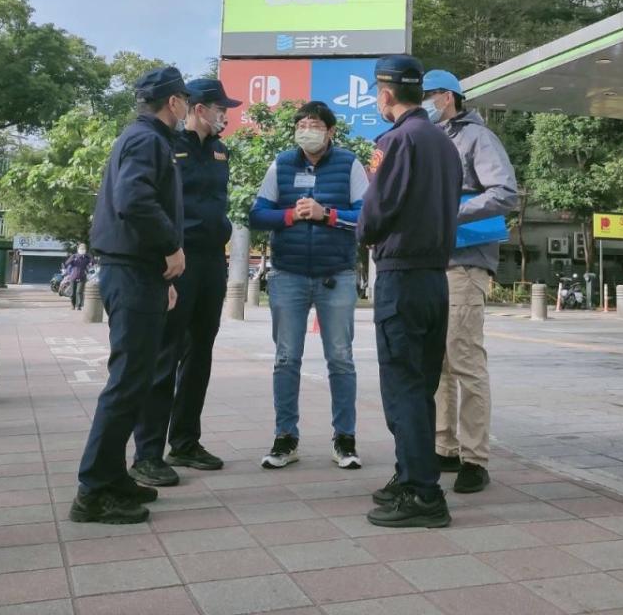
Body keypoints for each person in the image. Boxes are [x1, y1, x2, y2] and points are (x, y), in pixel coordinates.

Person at [68, 67, 188, 524]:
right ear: (173, 102)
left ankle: (113, 476)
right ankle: (94, 490)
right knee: (126, 382)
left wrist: (164, 279)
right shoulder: (147, 141)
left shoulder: (144, 138)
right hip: (132, 270)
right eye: (183, 100)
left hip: (141, 273)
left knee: (134, 380)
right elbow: (134, 201)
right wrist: (171, 247)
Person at [358, 56, 463, 528]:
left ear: (385, 95)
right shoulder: (443, 142)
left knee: (401, 384)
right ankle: (410, 474)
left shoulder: (395, 141)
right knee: (420, 384)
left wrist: (360, 229)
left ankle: (423, 493)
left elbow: (377, 210)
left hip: (401, 275)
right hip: (435, 277)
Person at [130, 78, 241, 487]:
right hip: (178, 261)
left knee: (200, 354)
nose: (224, 115)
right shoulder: (166, 147)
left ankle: (186, 441)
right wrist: (166, 255)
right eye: (218, 108)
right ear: (197, 108)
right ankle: (148, 452)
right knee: (166, 354)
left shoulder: (219, 150)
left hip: (212, 261)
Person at [250, 101, 369, 470]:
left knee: (341, 359)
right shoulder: (282, 163)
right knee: (286, 359)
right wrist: (289, 215)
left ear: (330, 131)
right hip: (288, 275)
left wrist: (327, 215)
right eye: (301, 124)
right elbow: (256, 214)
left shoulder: (349, 164)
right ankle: (286, 438)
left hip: (337, 274)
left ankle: (344, 439)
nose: (307, 130)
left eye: (314, 124)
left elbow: (367, 216)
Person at [421, 69, 517, 495]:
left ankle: (475, 457)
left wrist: (450, 211)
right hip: (430, 261)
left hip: (465, 262)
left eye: (429, 94)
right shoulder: (425, 135)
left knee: (464, 358)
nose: (423, 101)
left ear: (448, 96)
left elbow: (504, 192)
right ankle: (445, 445)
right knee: (438, 361)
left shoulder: (477, 137)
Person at [64, 244, 93, 311]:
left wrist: (90, 257)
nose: (82, 250)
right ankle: (73, 305)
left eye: (84, 249)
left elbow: (93, 263)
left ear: (85, 250)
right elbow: (66, 263)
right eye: (81, 248)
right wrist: (71, 259)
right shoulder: (74, 256)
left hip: (82, 276)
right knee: (72, 293)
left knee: (79, 291)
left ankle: (79, 305)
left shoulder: (86, 258)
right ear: (78, 249)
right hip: (73, 276)